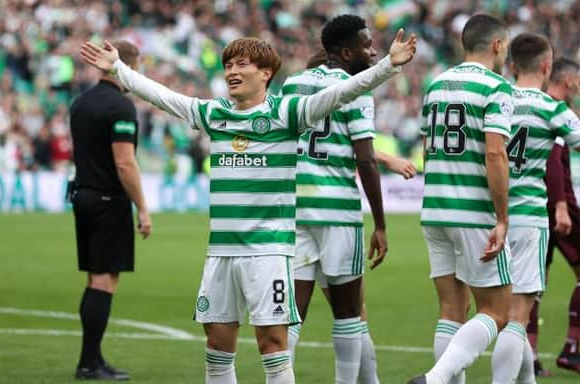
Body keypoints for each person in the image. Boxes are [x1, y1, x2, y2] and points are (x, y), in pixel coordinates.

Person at [80, 31, 416, 384]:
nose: (232, 72)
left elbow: (342, 92)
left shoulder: (287, 115)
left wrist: (387, 65)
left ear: (266, 73)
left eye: (242, 64)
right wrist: (118, 69)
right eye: (228, 65)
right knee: (216, 349)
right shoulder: (215, 114)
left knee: (272, 347)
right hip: (221, 255)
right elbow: (163, 97)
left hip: (267, 254)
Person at [282, 16, 415, 384]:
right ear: (345, 51)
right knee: (348, 314)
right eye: (366, 45)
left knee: (292, 312)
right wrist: (381, 224)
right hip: (337, 213)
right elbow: (366, 159)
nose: (373, 51)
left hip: (294, 212)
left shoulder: (292, 84)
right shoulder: (355, 88)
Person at [409, 14, 513, 384]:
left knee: (451, 310)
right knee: (497, 311)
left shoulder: (435, 84)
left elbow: (426, 147)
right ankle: (435, 379)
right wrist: (501, 218)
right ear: (497, 45)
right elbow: (495, 154)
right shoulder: (496, 87)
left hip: (435, 208)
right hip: (473, 212)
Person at [489, 33, 580, 384]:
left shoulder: (494, 98)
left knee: (488, 310)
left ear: (511, 66)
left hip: (489, 217)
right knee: (516, 314)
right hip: (529, 215)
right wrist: (560, 203)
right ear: (547, 66)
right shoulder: (552, 108)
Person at [69, 40, 152, 380]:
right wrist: (143, 208)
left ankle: (93, 358)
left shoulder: (81, 102)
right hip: (107, 201)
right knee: (104, 281)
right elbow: (124, 164)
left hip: (82, 194)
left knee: (95, 278)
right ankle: (89, 363)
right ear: (128, 67)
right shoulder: (121, 107)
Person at [528, 57, 580, 376]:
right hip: (558, 203)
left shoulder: (536, 106)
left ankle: (529, 356)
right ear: (569, 80)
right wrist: (561, 204)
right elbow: (550, 159)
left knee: (535, 282)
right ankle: (573, 348)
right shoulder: (556, 110)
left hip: (535, 204)